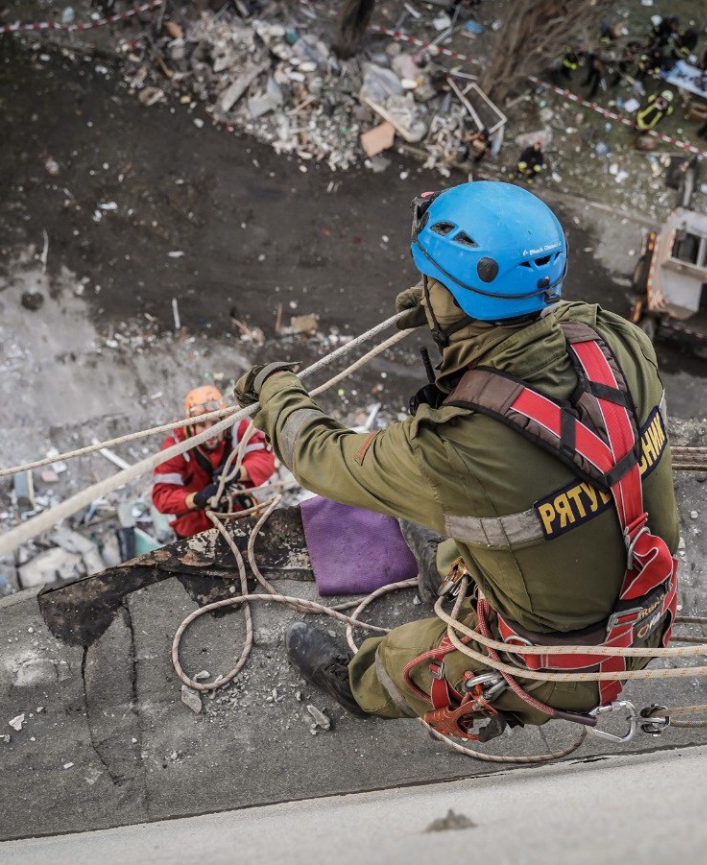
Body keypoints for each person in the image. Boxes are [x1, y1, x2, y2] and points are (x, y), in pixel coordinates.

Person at [236, 181, 678, 735]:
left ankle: (356, 688)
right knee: (473, 534)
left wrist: (275, 392)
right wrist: (456, 310)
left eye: (432, 282)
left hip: (560, 666)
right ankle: (459, 575)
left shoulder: (455, 449)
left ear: (452, 295)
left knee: (403, 661)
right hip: (649, 605)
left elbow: (320, 456)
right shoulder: (619, 338)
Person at [151, 385, 276, 539]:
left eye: (214, 423)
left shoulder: (238, 429)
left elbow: (264, 459)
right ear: (191, 427)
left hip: (236, 512)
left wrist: (237, 472)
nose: (209, 432)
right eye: (202, 425)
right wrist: (196, 498)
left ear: (223, 420)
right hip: (196, 524)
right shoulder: (177, 446)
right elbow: (163, 496)